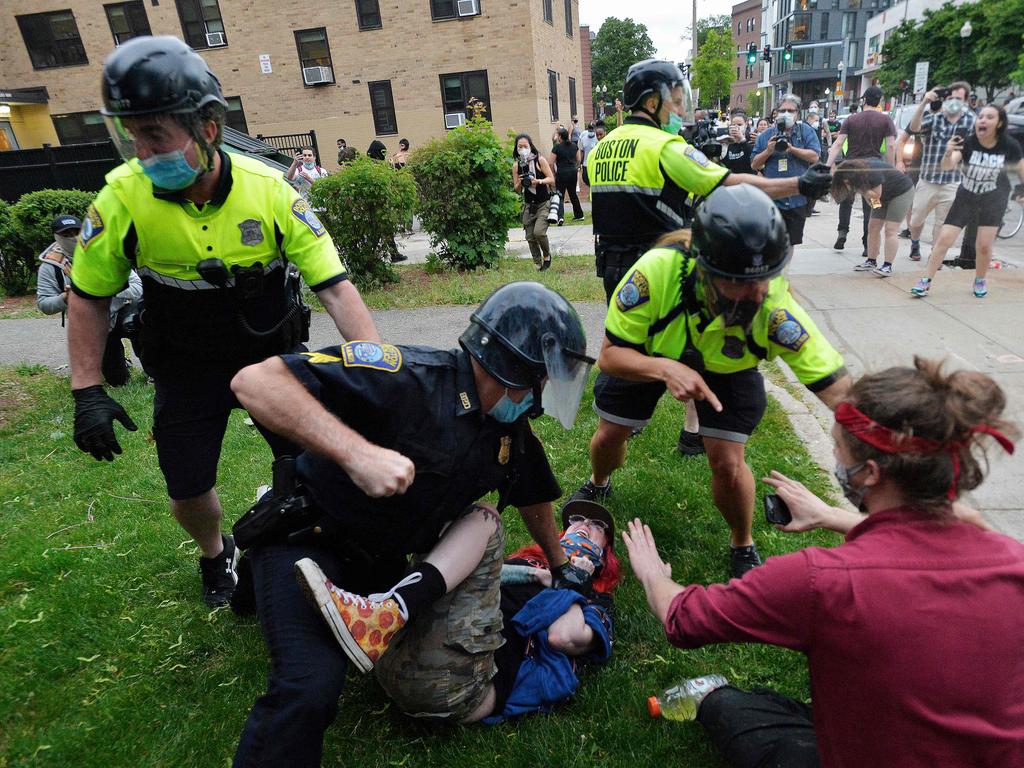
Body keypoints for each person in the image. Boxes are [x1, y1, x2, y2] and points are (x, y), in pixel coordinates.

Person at [66, 36, 380, 607]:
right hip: (186, 368)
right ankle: (217, 554)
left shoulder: (272, 192)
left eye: (154, 134)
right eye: (130, 134)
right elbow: (87, 297)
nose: (141, 151)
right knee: (186, 492)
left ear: (207, 128)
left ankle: (321, 547)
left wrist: (379, 369)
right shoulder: (119, 202)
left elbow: (335, 288)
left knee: (310, 468)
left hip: (271, 360)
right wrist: (86, 387)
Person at [228, 282, 597, 766]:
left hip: (383, 564)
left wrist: (560, 563)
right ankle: (253, 575)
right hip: (309, 541)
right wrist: (357, 454)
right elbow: (255, 383)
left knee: (456, 629)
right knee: (312, 687)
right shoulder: (409, 380)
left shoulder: (506, 430)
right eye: (545, 379)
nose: (545, 396)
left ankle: (352, 606)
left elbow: (535, 496)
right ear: (513, 368)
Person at [623, 357, 1022, 768]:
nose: (836, 459)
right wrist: (832, 516)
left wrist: (654, 575)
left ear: (868, 472)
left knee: (740, 710)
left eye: (838, 448)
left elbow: (685, 619)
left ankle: (713, 699)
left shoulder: (820, 581)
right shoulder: (1012, 561)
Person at [568, 186, 850, 579]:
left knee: (728, 463)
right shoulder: (655, 273)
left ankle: (742, 540)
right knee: (610, 435)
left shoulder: (773, 305)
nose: (758, 293)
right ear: (705, 269)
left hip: (728, 368)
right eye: (739, 282)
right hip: (650, 353)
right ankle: (599, 482)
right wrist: (666, 369)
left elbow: (839, 392)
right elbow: (611, 356)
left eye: (767, 278)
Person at [586, 60, 831, 456]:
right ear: (652, 102)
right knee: (689, 343)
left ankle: (624, 420)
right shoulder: (667, 147)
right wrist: (798, 183)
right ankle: (692, 430)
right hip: (666, 269)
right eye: (675, 102)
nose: (679, 111)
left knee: (631, 344)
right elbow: (729, 185)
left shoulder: (602, 148)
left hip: (616, 270)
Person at [369, 499, 620, 724]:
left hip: (453, 684)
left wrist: (578, 583)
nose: (583, 524)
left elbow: (563, 636)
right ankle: (384, 609)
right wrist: (535, 573)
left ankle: (383, 610)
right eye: (576, 520)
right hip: (393, 653)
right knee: (449, 522)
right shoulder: (527, 564)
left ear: (604, 554)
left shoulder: (595, 600)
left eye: (597, 525)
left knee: (483, 518)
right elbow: (469, 572)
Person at [911, 104, 1024, 299]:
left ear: (999, 123)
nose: (983, 120)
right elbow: (947, 166)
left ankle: (980, 279)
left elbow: (1021, 170)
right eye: (981, 117)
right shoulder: (968, 143)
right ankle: (926, 280)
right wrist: (947, 151)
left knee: (983, 246)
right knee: (944, 239)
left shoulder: (1009, 146)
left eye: (989, 117)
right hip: (966, 196)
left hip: (993, 200)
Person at [37, 214, 144, 386]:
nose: (73, 237)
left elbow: (138, 287)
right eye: (66, 234)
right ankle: (119, 364)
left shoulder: (105, 251)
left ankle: (154, 371)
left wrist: (109, 291)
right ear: (56, 237)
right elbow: (44, 304)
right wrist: (65, 298)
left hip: (121, 310)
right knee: (118, 381)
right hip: (92, 323)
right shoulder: (51, 266)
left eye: (76, 231)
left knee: (143, 322)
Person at [826, 86, 897, 263]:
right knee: (872, 203)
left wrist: (827, 166)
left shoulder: (851, 119)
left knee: (846, 200)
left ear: (864, 100)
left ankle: (842, 232)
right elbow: (890, 147)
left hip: (851, 167)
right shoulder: (885, 120)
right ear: (879, 101)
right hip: (873, 167)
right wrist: (892, 168)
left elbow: (837, 144)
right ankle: (867, 242)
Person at [906, 82, 975, 262]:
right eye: (950, 98)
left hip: (952, 181)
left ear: (966, 101)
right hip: (928, 180)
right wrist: (923, 103)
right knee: (915, 221)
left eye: (958, 99)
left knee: (942, 223)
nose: (953, 102)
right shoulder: (934, 118)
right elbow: (914, 128)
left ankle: (934, 256)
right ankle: (915, 242)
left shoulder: (971, 121)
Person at [751, 94, 823, 252]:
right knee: (770, 242)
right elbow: (755, 164)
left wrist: (792, 149)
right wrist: (768, 151)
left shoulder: (805, 131)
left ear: (798, 113)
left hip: (797, 198)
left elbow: (815, 156)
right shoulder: (765, 136)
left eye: (790, 110)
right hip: (772, 199)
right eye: (782, 110)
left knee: (790, 243)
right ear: (776, 112)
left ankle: (782, 273)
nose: (786, 114)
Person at [831, 158, 916, 277]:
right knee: (873, 227)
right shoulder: (856, 178)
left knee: (890, 229)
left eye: (847, 182)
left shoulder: (872, 172)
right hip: (881, 197)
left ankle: (887, 266)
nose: (847, 184)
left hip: (901, 193)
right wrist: (874, 204)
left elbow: (876, 194)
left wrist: (860, 189)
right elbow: (872, 199)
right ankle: (871, 261)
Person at [512, 133, 556, 270]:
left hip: (543, 203)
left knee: (539, 233)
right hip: (528, 205)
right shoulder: (516, 166)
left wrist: (539, 181)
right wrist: (520, 182)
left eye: (525, 146)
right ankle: (537, 263)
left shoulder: (539, 160)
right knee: (530, 236)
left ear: (531, 146)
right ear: (516, 149)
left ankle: (547, 255)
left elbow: (552, 179)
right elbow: (517, 190)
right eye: (520, 147)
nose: (523, 149)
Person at [550, 127, 584, 224]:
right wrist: (575, 167)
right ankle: (579, 215)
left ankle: (560, 217)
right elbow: (578, 159)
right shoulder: (574, 145)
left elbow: (550, 162)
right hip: (572, 172)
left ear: (560, 137)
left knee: (560, 195)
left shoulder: (557, 147)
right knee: (573, 194)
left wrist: (553, 173)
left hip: (561, 172)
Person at [720, 110, 754, 175]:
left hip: (749, 179)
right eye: (734, 125)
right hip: (735, 181)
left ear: (746, 125)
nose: (736, 127)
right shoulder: (730, 144)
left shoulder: (751, 140)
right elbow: (727, 166)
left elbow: (752, 159)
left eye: (739, 125)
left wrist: (742, 139)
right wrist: (723, 149)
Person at [578, 121, 600, 197]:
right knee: (585, 179)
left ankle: (593, 194)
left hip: (594, 163)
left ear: (595, 129)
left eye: (592, 129)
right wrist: (579, 163)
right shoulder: (584, 138)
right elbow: (581, 151)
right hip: (585, 163)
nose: (591, 131)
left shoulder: (597, 139)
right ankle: (592, 192)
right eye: (589, 129)